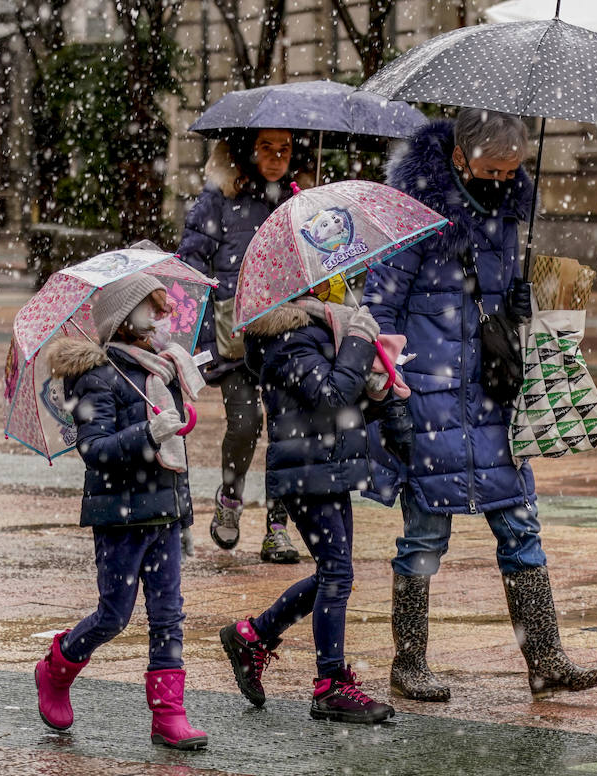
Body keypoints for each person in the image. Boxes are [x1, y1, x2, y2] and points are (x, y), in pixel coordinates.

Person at [362, 108, 597, 701]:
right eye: (491, 170)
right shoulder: (412, 214)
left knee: (520, 522)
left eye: (511, 173)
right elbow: (382, 308)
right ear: (458, 156)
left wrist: (520, 302)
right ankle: (409, 661)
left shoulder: (504, 214)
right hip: (428, 395)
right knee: (425, 533)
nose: (502, 182)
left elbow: (491, 303)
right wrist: (391, 393)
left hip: (495, 397)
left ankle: (546, 657)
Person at [35, 273, 208, 750]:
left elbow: (178, 456)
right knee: (114, 616)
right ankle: (57, 667)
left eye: (160, 306)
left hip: (163, 514)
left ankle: (169, 715)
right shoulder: (98, 375)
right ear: (121, 317)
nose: (160, 315)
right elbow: (94, 449)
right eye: (150, 307)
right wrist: (148, 435)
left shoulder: (160, 370)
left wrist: (184, 515)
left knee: (169, 617)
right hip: (120, 516)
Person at [217, 275, 400, 724]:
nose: (342, 286)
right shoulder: (284, 339)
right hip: (306, 473)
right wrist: (358, 341)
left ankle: (254, 636)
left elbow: (343, 400)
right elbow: (328, 396)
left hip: (329, 466)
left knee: (335, 574)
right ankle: (330, 685)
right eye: (334, 281)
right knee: (337, 574)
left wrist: (375, 391)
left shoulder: (318, 329)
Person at [178, 128, 301, 563]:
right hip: (235, 340)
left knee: (289, 432)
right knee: (246, 425)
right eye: (267, 147)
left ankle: (278, 526)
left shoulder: (297, 199)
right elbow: (190, 264)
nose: (277, 156)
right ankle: (230, 497)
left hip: (289, 333)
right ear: (247, 150)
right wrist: (207, 319)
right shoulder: (218, 201)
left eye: (284, 148)